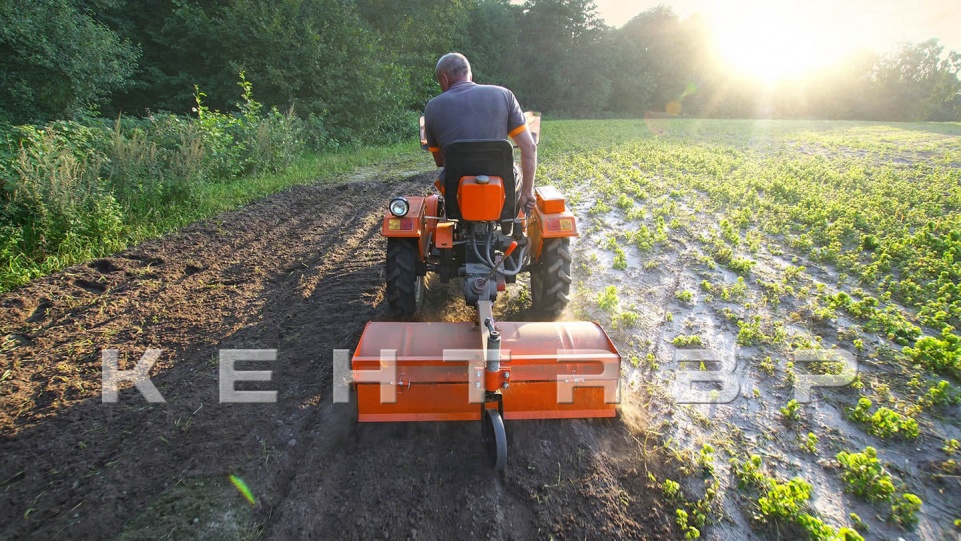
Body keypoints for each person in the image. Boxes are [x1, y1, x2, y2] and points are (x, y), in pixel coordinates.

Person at [423, 52, 538, 212]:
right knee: (515, 171)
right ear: (469, 73)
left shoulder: (432, 107)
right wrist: (527, 192)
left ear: (444, 78)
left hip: (456, 189)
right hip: (503, 186)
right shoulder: (504, 95)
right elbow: (530, 148)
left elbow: (440, 161)